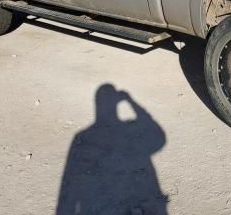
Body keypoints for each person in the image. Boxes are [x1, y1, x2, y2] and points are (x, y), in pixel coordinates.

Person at [56, 84, 167, 215]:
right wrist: (131, 101)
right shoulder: (126, 130)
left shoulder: (83, 136)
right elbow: (159, 138)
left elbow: (68, 180)